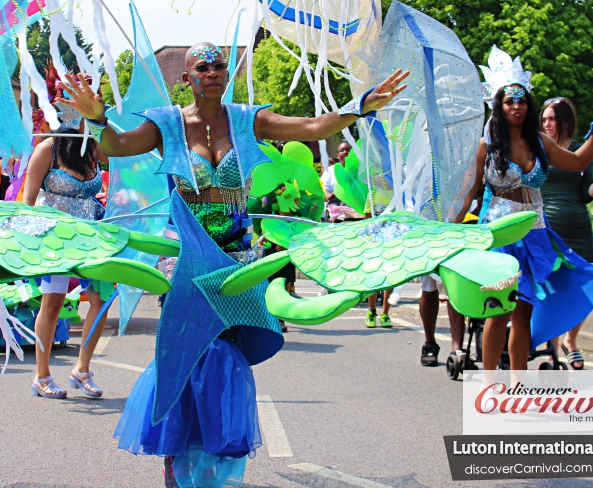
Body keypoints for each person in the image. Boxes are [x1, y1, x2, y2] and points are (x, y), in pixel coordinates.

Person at [57, 42, 407, 487]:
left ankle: (222, 465)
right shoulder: (167, 124)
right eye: (202, 67)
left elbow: (313, 127)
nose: (212, 72)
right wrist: (96, 117)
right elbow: (118, 146)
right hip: (190, 260)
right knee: (189, 352)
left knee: (228, 355)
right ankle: (179, 463)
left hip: (239, 259)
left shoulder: (247, 119)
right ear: (187, 77)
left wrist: (359, 107)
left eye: (219, 66)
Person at [455, 50, 593, 371]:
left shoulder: (539, 142)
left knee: (524, 313)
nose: (516, 106)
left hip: (535, 235)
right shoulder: (487, 144)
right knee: (499, 311)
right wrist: (452, 233)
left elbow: (578, 162)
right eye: (509, 101)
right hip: (499, 236)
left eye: (521, 101)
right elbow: (468, 193)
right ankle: (491, 383)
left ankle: (518, 384)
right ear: (498, 106)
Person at [21, 110, 110, 400]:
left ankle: (82, 370)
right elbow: (28, 203)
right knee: (52, 304)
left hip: (91, 237)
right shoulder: (47, 149)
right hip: (55, 239)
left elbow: (125, 159)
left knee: (102, 300)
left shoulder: (94, 147)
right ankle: (42, 376)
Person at [540, 97, 593, 370]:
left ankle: (571, 341)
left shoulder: (581, 150)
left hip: (577, 226)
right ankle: (552, 350)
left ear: (565, 122)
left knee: (582, 286)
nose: (547, 124)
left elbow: (586, 194)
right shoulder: (539, 149)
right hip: (547, 227)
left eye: (552, 119)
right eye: (543, 120)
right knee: (551, 287)